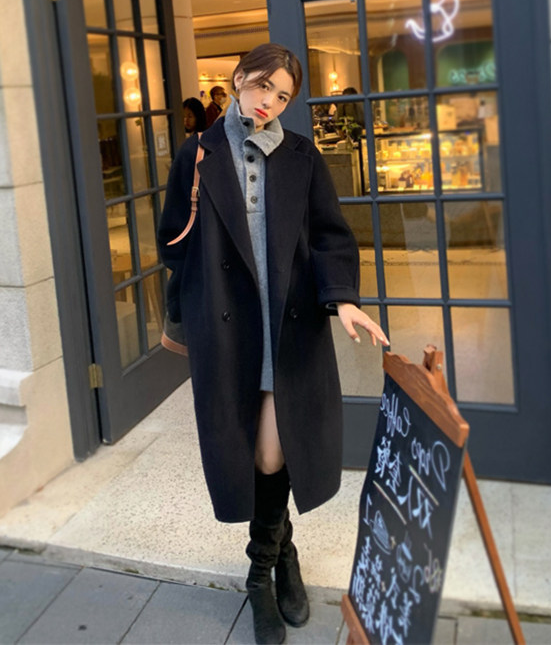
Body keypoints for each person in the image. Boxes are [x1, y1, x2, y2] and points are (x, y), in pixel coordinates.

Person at [157, 43, 388, 645]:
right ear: (238, 79)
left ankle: (262, 569)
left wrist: (342, 298)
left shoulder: (302, 156)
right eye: (262, 86)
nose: (269, 102)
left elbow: (331, 236)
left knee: (274, 450)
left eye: (282, 95)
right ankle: (276, 562)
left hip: (289, 322)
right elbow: (171, 239)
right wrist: (199, 289)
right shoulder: (197, 154)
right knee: (255, 451)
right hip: (229, 325)